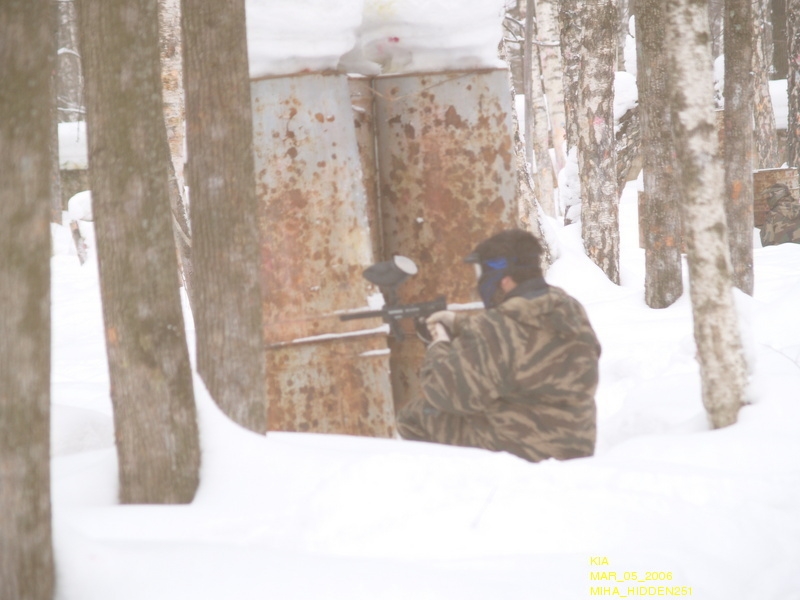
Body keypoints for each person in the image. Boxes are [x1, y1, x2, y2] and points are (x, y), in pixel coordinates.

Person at [396, 229, 601, 462]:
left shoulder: (498, 326)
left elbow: (446, 393)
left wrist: (438, 345)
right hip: (578, 443)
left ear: (504, 279)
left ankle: (466, 481)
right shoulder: (570, 308)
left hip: (523, 449)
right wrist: (461, 324)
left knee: (414, 415)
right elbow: (527, 337)